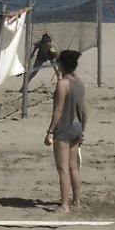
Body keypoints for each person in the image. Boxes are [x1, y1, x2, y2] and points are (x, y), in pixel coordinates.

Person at [44, 49, 86, 213]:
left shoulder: (63, 84)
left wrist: (50, 131)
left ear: (62, 64)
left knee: (62, 169)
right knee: (73, 167)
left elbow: (58, 109)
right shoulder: (79, 82)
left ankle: (64, 205)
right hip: (77, 126)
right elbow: (85, 110)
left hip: (64, 128)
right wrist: (83, 129)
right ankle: (77, 201)